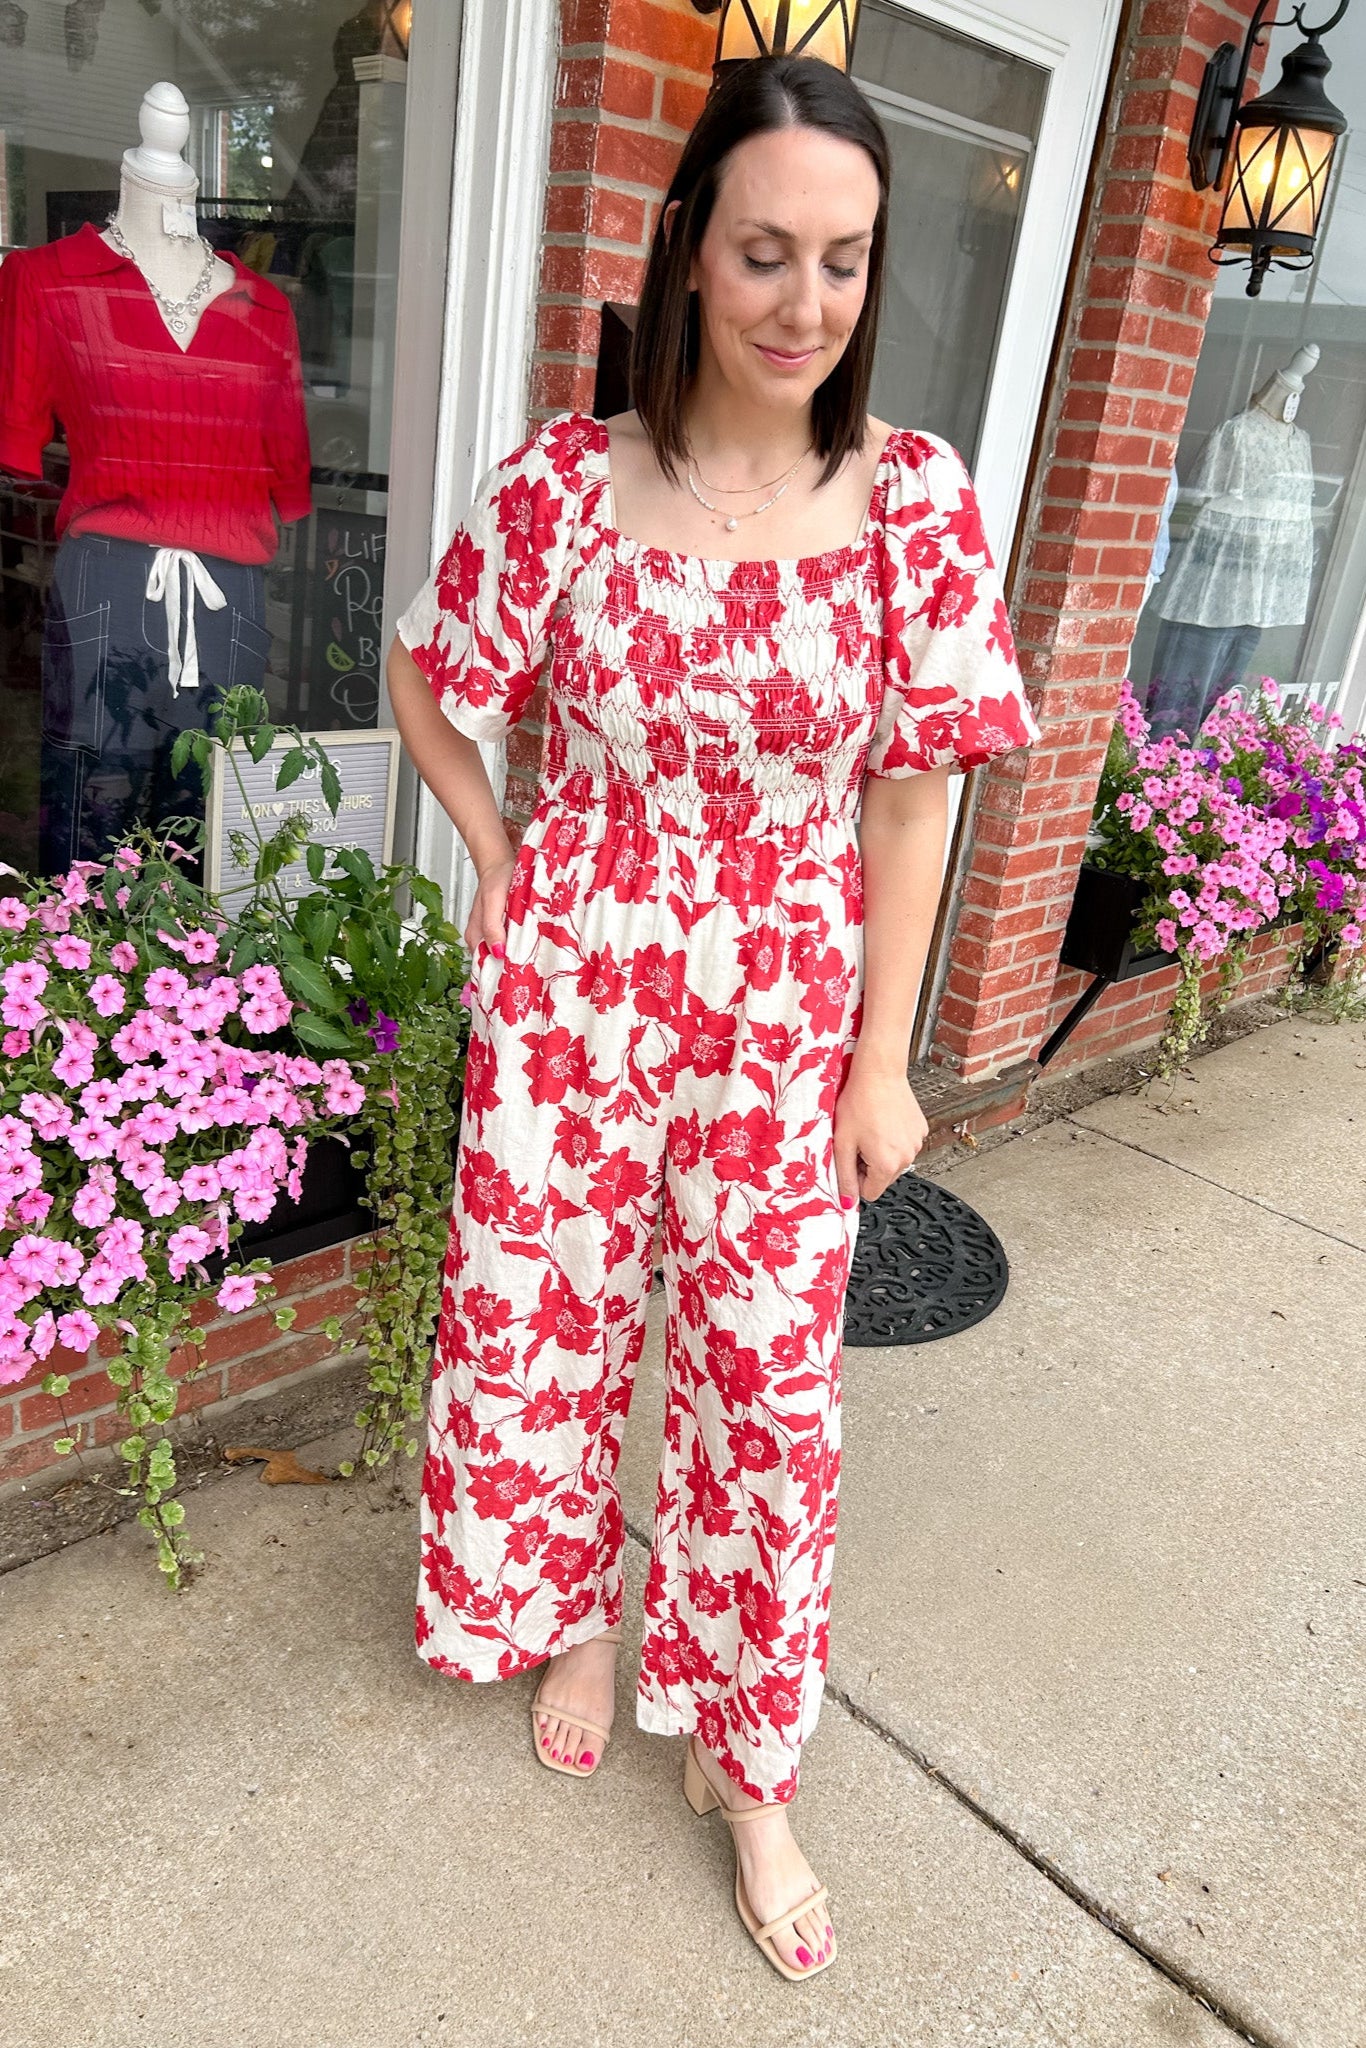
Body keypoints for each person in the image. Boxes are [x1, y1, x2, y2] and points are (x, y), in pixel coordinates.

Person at [385, 53, 1040, 1984]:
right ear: (687, 248)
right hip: (575, 990)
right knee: (552, 1338)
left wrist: (884, 1057)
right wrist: (503, 863)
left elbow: (914, 796)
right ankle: (579, 1618)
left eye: (843, 260)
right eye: (764, 253)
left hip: (784, 1015)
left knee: (767, 1395)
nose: (802, 302)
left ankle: (750, 1768)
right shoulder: (561, 486)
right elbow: (430, 676)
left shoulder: (914, 503)